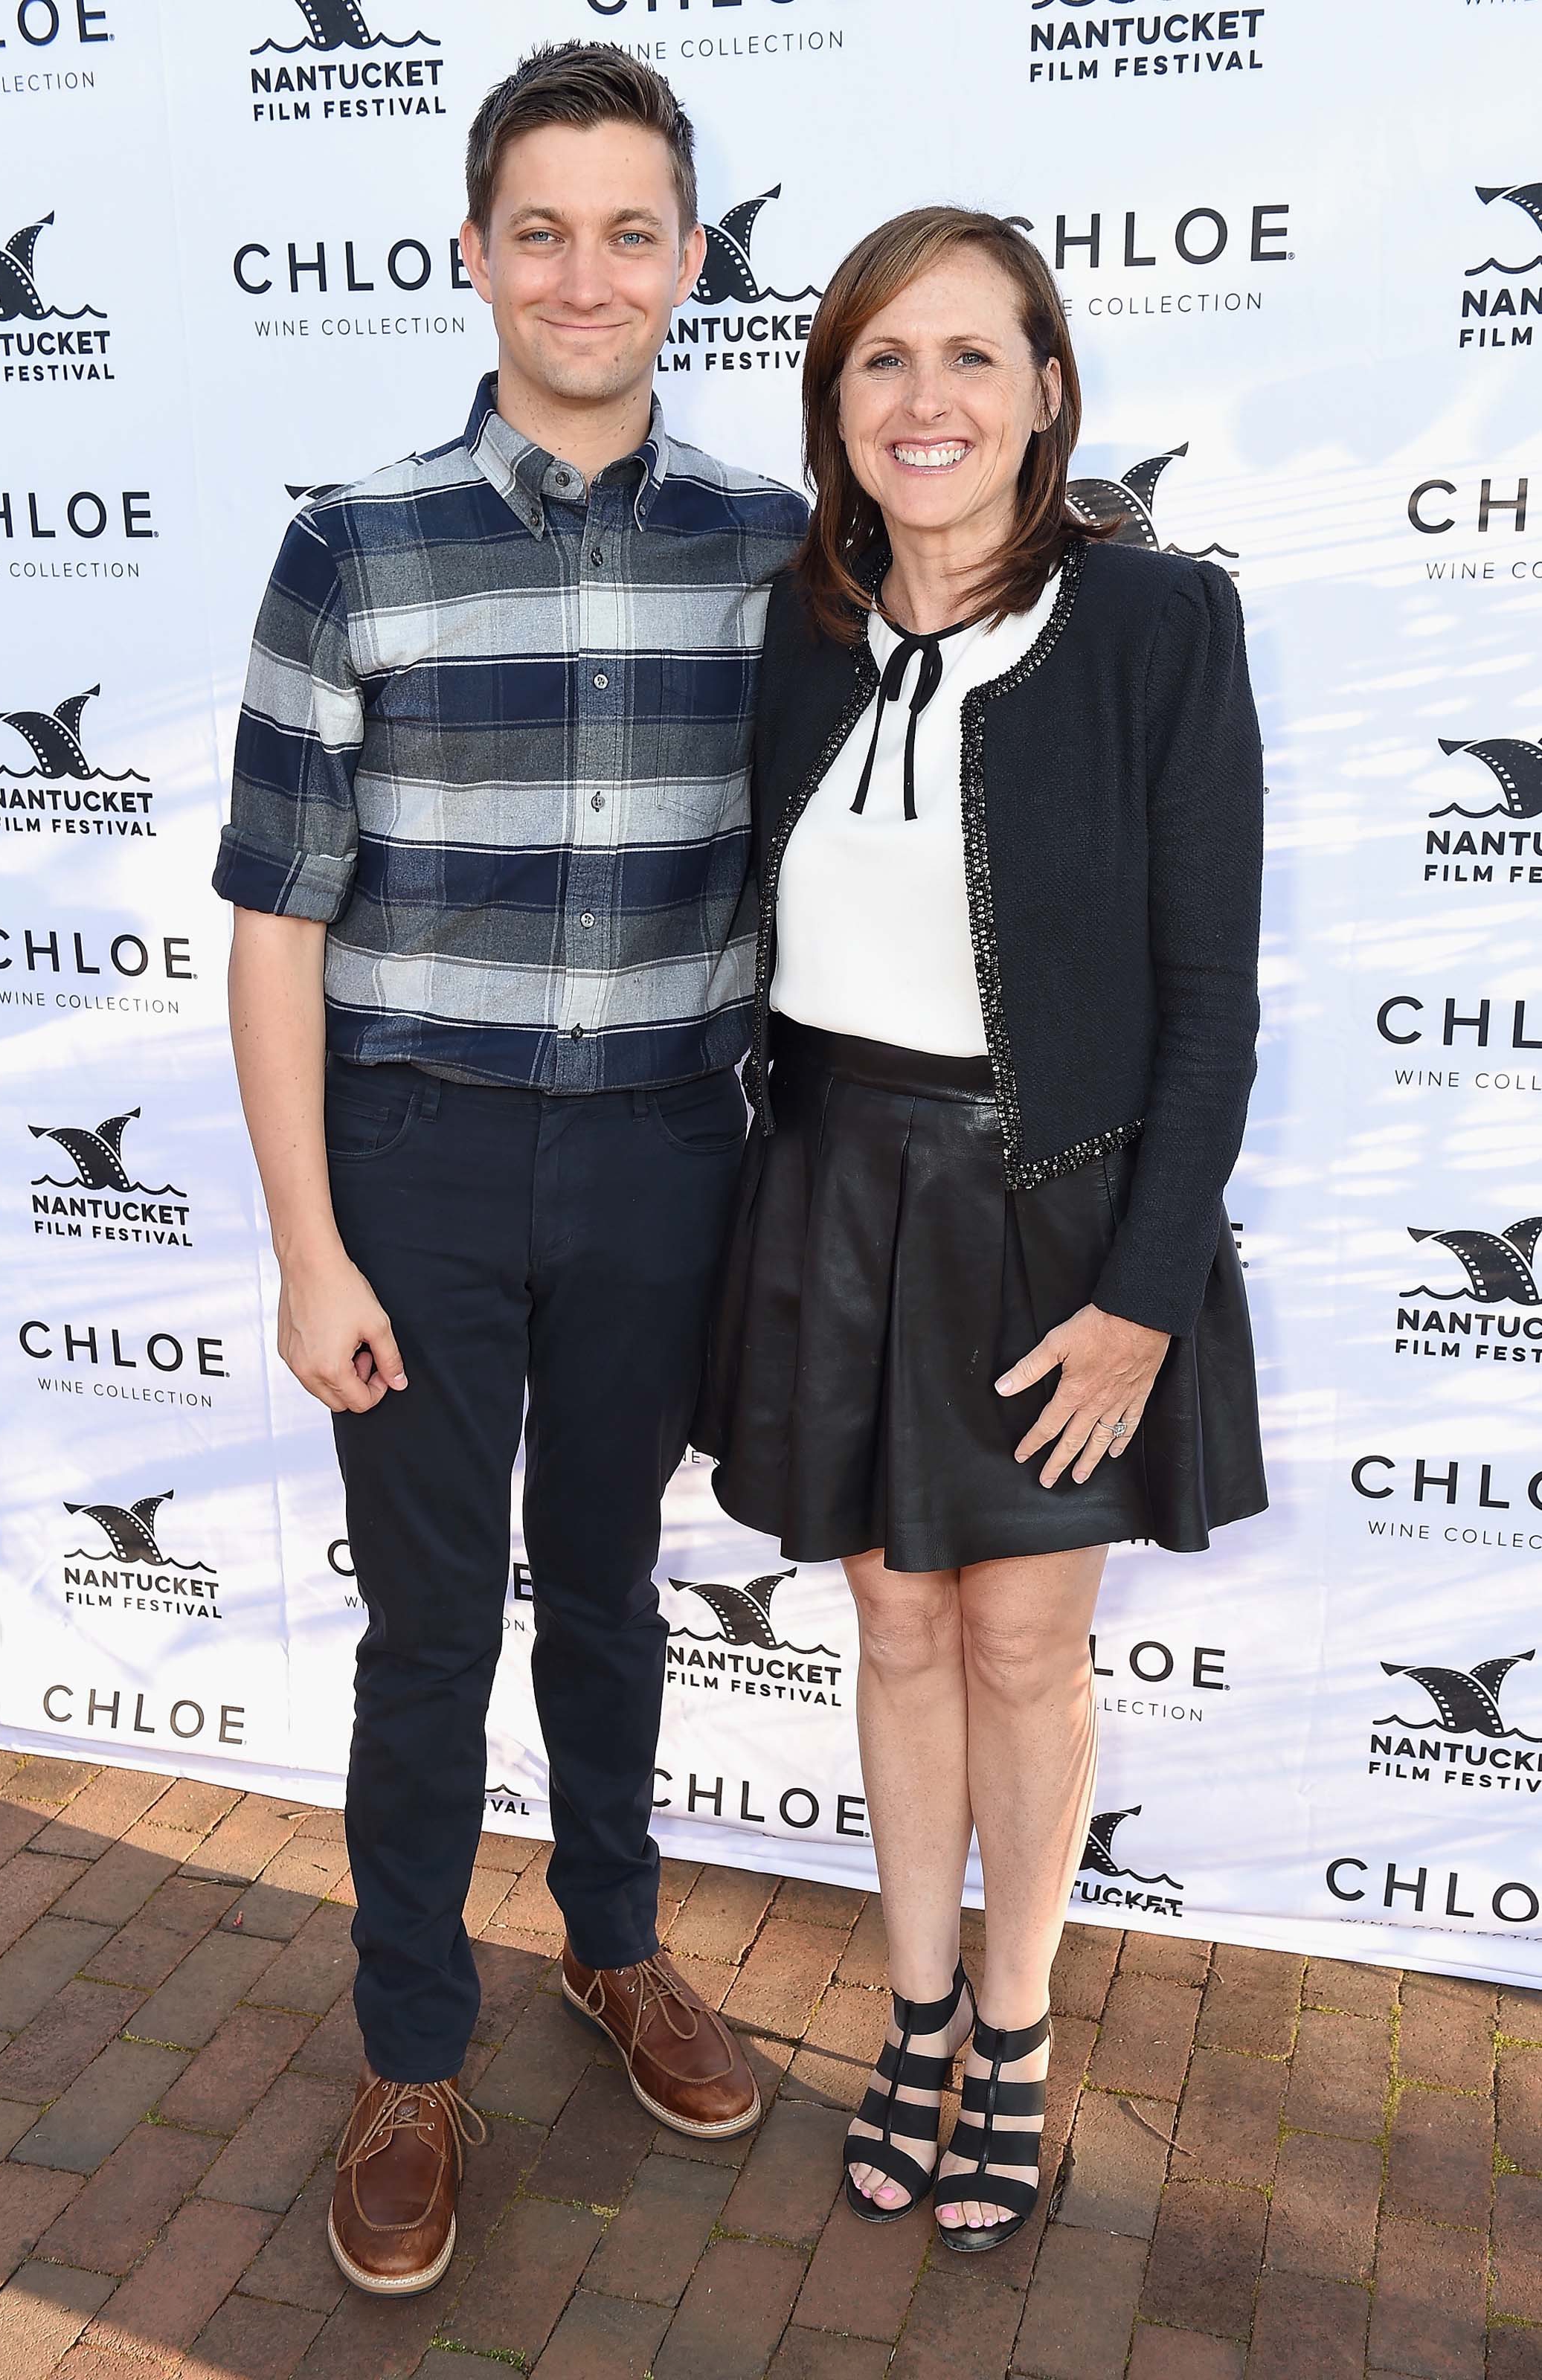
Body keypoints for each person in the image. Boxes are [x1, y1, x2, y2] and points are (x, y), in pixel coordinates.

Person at [215, 42, 806, 2297]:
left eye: (630, 229)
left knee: (617, 1597)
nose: (585, 271)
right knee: (430, 1629)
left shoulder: (778, 549)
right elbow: (278, 913)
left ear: (687, 262)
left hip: (671, 1150)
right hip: (422, 1161)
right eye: (539, 228)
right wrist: (306, 1239)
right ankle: (409, 2050)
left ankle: (619, 1941)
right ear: (472, 255)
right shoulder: (351, 542)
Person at [697, 206, 1265, 2252]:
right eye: (881, 362)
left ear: (1046, 392)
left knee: (1024, 1639)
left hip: (1058, 1207)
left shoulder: (1159, 626)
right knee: (896, 1620)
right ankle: (916, 2012)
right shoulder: (795, 628)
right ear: (833, 400)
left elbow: (1214, 1004)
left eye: (970, 358)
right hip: (837, 1182)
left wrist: (1140, 1299)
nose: (924, 400)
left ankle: (1012, 2030)